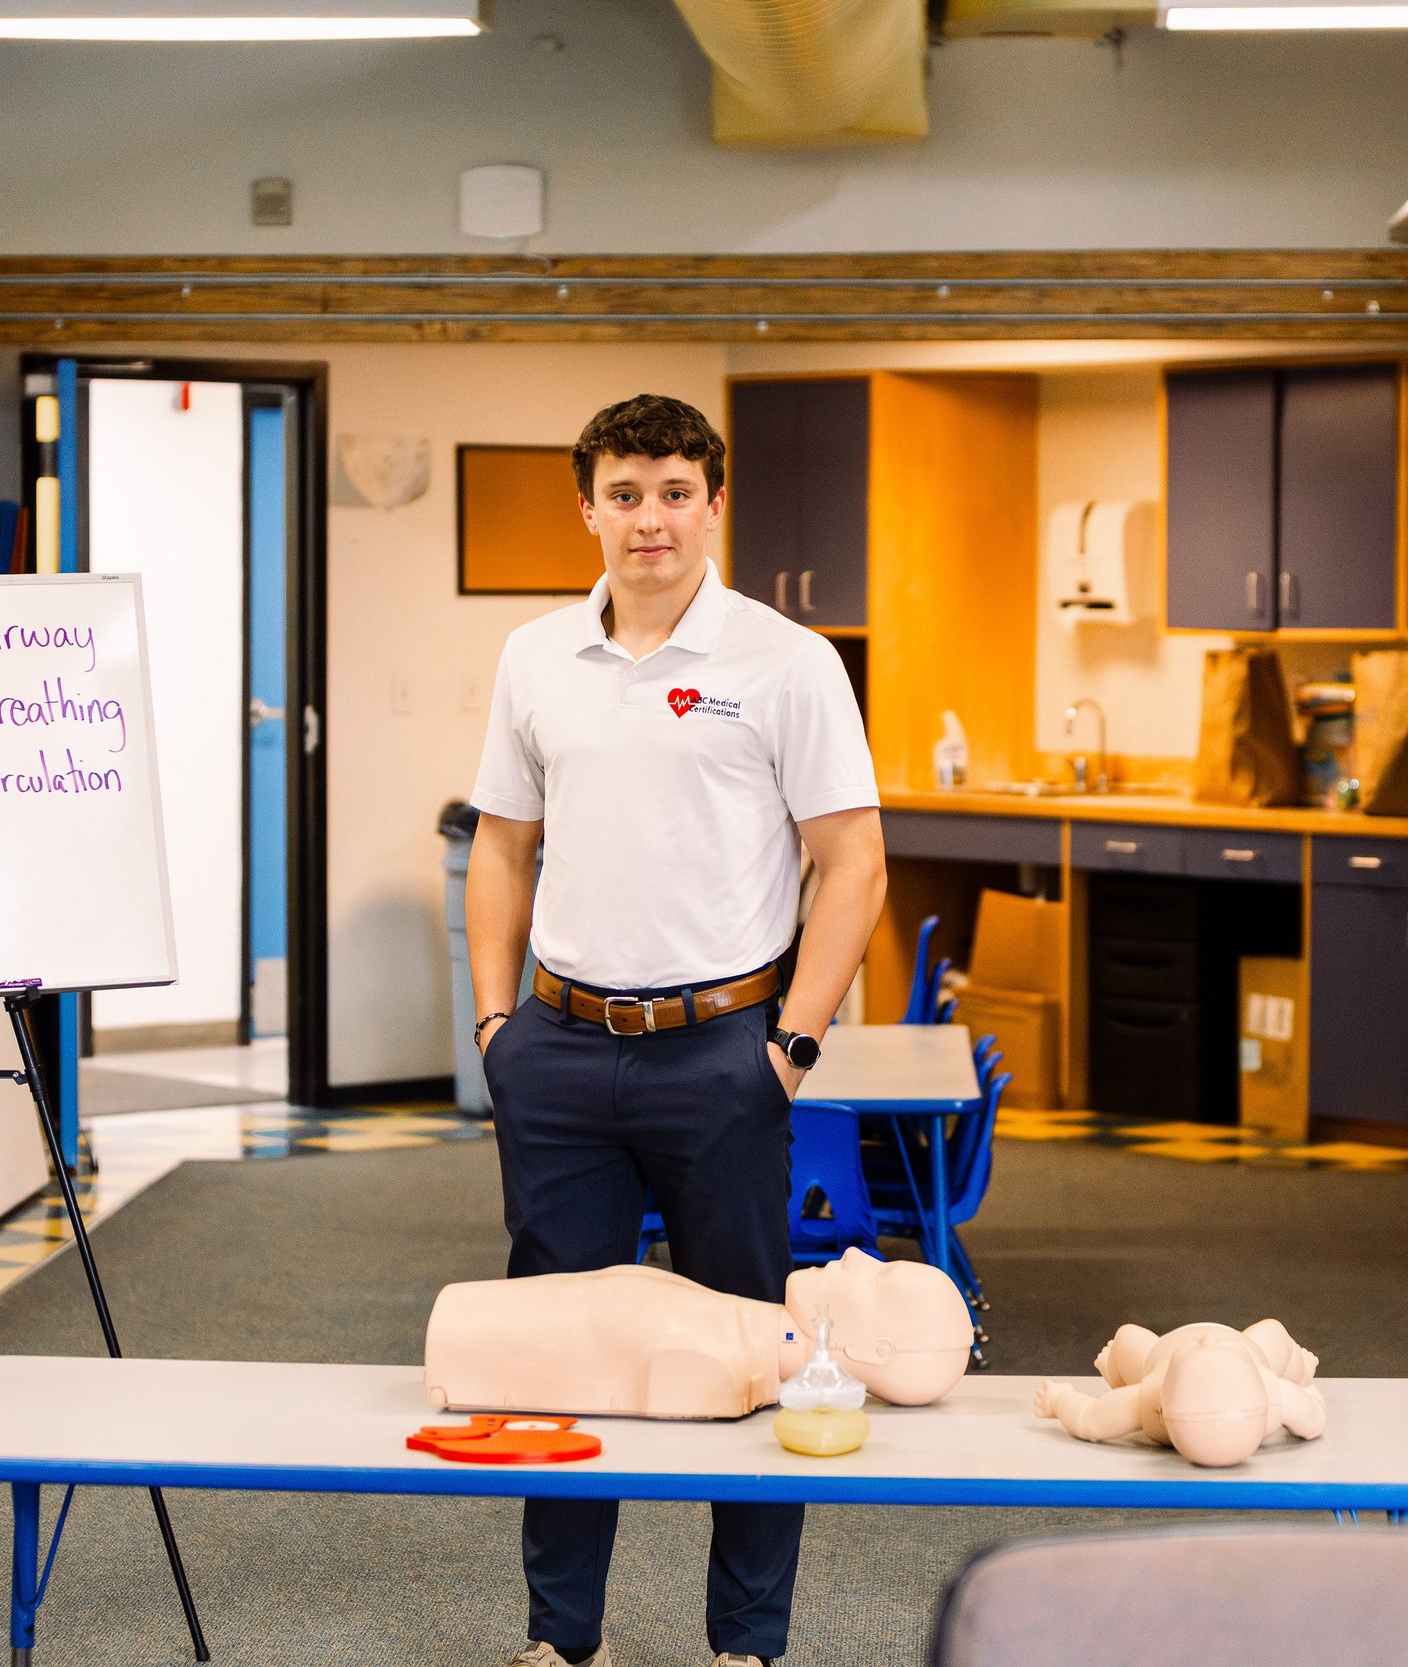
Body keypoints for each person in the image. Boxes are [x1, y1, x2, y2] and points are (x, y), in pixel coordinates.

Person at [465, 392, 888, 1667]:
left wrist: (790, 1046)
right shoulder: (536, 655)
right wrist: (494, 1024)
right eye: (624, 493)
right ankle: (561, 1639)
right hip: (558, 1048)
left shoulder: (785, 660)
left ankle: (744, 1642)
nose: (648, 517)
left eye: (672, 493)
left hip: (722, 1053)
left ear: (713, 504)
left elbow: (852, 861)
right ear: (587, 507)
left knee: (749, 1344)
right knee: (558, 1351)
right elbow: (502, 845)